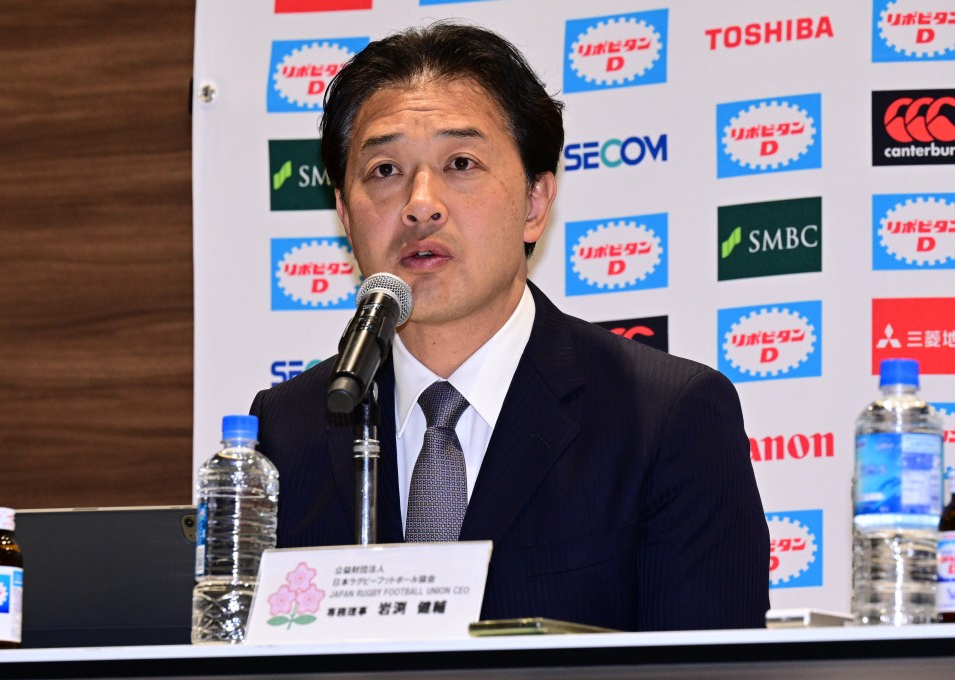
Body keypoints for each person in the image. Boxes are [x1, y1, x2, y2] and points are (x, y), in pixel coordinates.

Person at [250, 21, 770, 632]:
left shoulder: (665, 418)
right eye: (385, 169)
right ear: (344, 212)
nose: (421, 203)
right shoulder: (290, 431)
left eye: (461, 162)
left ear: (535, 203)